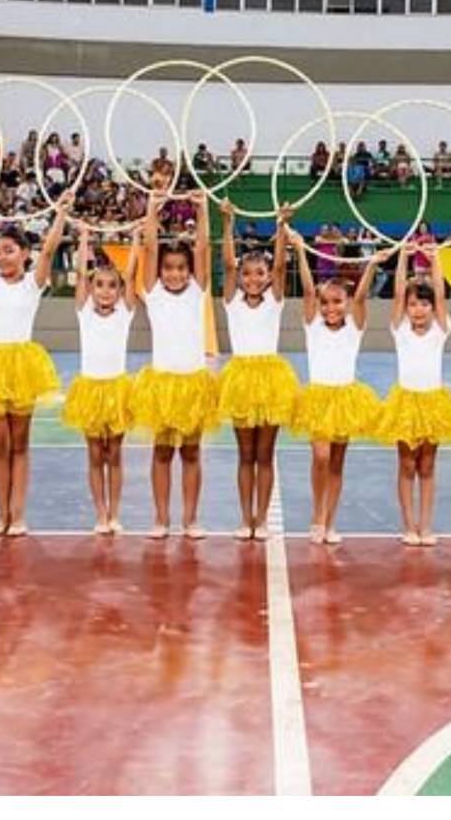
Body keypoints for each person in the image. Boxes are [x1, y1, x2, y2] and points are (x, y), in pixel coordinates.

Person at [0, 191, 72, 537]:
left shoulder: (33, 283)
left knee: (19, 444)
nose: (2, 257)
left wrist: (61, 212)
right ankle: (2, 513)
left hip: (21, 367)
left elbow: (50, 248)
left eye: (9, 250)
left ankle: (18, 514)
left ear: (24, 254)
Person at [130, 176, 219, 538]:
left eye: (181, 268)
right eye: (169, 268)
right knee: (163, 452)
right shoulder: (153, 292)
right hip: (163, 385)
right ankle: (161, 517)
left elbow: (202, 248)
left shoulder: (198, 290)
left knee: (192, 453)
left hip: (194, 382)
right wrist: (153, 208)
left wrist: (202, 209)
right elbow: (150, 248)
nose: (176, 274)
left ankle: (191, 519)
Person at [286, 231, 387, 546]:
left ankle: (330, 522)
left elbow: (360, 298)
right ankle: (317, 515)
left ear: (345, 304)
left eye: (337, 302)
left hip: (345, 398)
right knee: (321, 456)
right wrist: (300, 249)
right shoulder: (313, 325)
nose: (331, 308)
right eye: (326, 302)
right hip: (318, 398)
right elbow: (305, 288)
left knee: (337, 461)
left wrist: (371, 264)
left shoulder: (355, 327)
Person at [374, 238, 451, 547]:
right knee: (407, 464)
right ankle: (409, 524)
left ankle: (426, 525)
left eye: (424, 304)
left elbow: (441, 293)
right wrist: (402, 257)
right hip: (406, 404)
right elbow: (399, 291)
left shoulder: (441, 329)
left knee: (427, 466)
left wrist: (435, 259)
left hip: (433, 405)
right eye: (413, 304)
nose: (418, 310)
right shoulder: (399, 329)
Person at [217, 203, 299, 541]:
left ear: (267, 278)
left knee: (265, 455)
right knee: (245, 454)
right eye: (247, 273)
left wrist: (281, 225)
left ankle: (261, 518)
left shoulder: (275, 301)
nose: (252, 279)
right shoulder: (232, 302)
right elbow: (226, 263)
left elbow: (280, 266)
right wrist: (228, 222)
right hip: (240, 381)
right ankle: (244, 516)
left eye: (259, 274)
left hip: (270, 382)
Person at [63, 227, 139, 535]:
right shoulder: (84, 313)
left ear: (120, 292)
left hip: (117, 390)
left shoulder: (125, 312)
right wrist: (83, 237)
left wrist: (135, 241)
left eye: (112, 286)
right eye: (100, 286)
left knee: (115, 454)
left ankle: (115, 511)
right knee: (95, 454)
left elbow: (132, 275)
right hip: (90, 390)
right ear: (92, 288)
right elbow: (80, 274)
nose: (105, 291)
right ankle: (100, 512)